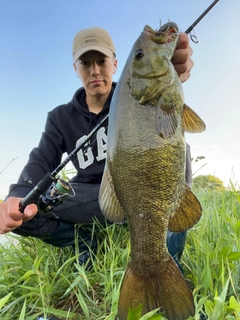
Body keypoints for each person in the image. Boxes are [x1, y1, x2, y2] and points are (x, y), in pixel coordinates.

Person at [0, 26, 193, 268]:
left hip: (137, 192)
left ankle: (168, 259)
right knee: (24, 210)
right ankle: (83, 241)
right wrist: (17, 194)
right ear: (76, 68)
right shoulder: (60, 117)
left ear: (114, 65)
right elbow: (41, 159)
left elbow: (167, 113)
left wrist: (171, 69)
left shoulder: (134, 96)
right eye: (85, 62)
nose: (94, 71)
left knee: (181, 149)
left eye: (101, 60)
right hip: (94, 199)